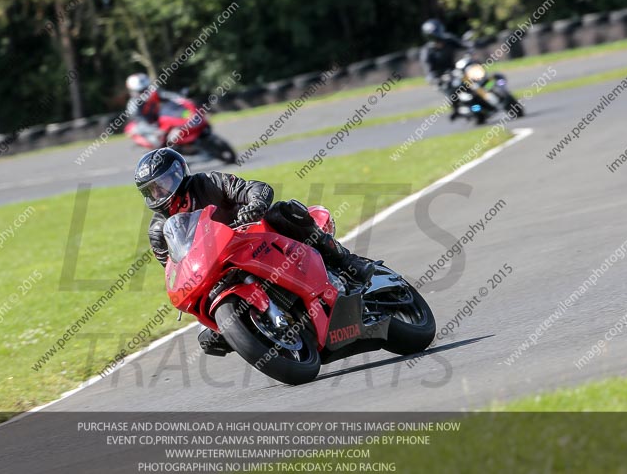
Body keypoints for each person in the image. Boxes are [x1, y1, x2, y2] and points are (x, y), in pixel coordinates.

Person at [134, 148, 375, 355]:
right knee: (208, 339)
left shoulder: (207, 182)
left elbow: (252, 188)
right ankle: (258, 334)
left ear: (177, 174)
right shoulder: (158, 231)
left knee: (283, 211)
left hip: (250, 238)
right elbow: (175, 269)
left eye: (161, 185)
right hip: (214, 271)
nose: (158, 194)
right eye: (150, 191)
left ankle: (347, 261)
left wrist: (255, 205)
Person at [419, 19, 471, 120]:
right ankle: (458, 109)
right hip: (442, 77)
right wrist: (433, 79)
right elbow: (428, 70)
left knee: (473, 76)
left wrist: (470, 47)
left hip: (455, 70)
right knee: (451, 90)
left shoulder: (449, 40)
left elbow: (463, 45)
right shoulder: (427, 51)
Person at [125, 73, 185, 147]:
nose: (144, 93)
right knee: (159, 141)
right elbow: (140, 122)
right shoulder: (133, 105)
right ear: (133, 91)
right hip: (145, 127)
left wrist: (180, 98)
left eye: (146, 89)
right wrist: (158, 130)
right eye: (141, 91)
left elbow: (167, 95)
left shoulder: (155, 94)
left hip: (160, 121)